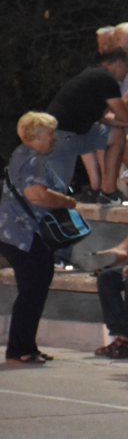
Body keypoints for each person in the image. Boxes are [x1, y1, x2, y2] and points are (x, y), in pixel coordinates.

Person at [0, 112, 78, 364]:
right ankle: (20, 348)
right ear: (39, 134)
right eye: (51, 132)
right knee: (33, 288)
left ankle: (25, 345)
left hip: (14, 230)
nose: (53, 138)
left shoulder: (20, 156)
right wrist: (67, 201)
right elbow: (37, 195)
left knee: (33, 287)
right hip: (23, 233)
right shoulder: (32, 159)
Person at [46, 47, 128, 205]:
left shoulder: (93, 74)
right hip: (61, 138)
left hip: (73, 135)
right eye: (127, 66)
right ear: (119, 64)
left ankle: (109, 193)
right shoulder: (106, 79)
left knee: (117, 134)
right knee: (55, 193)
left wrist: (112, 121)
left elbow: (101, 118)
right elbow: (125, 116)